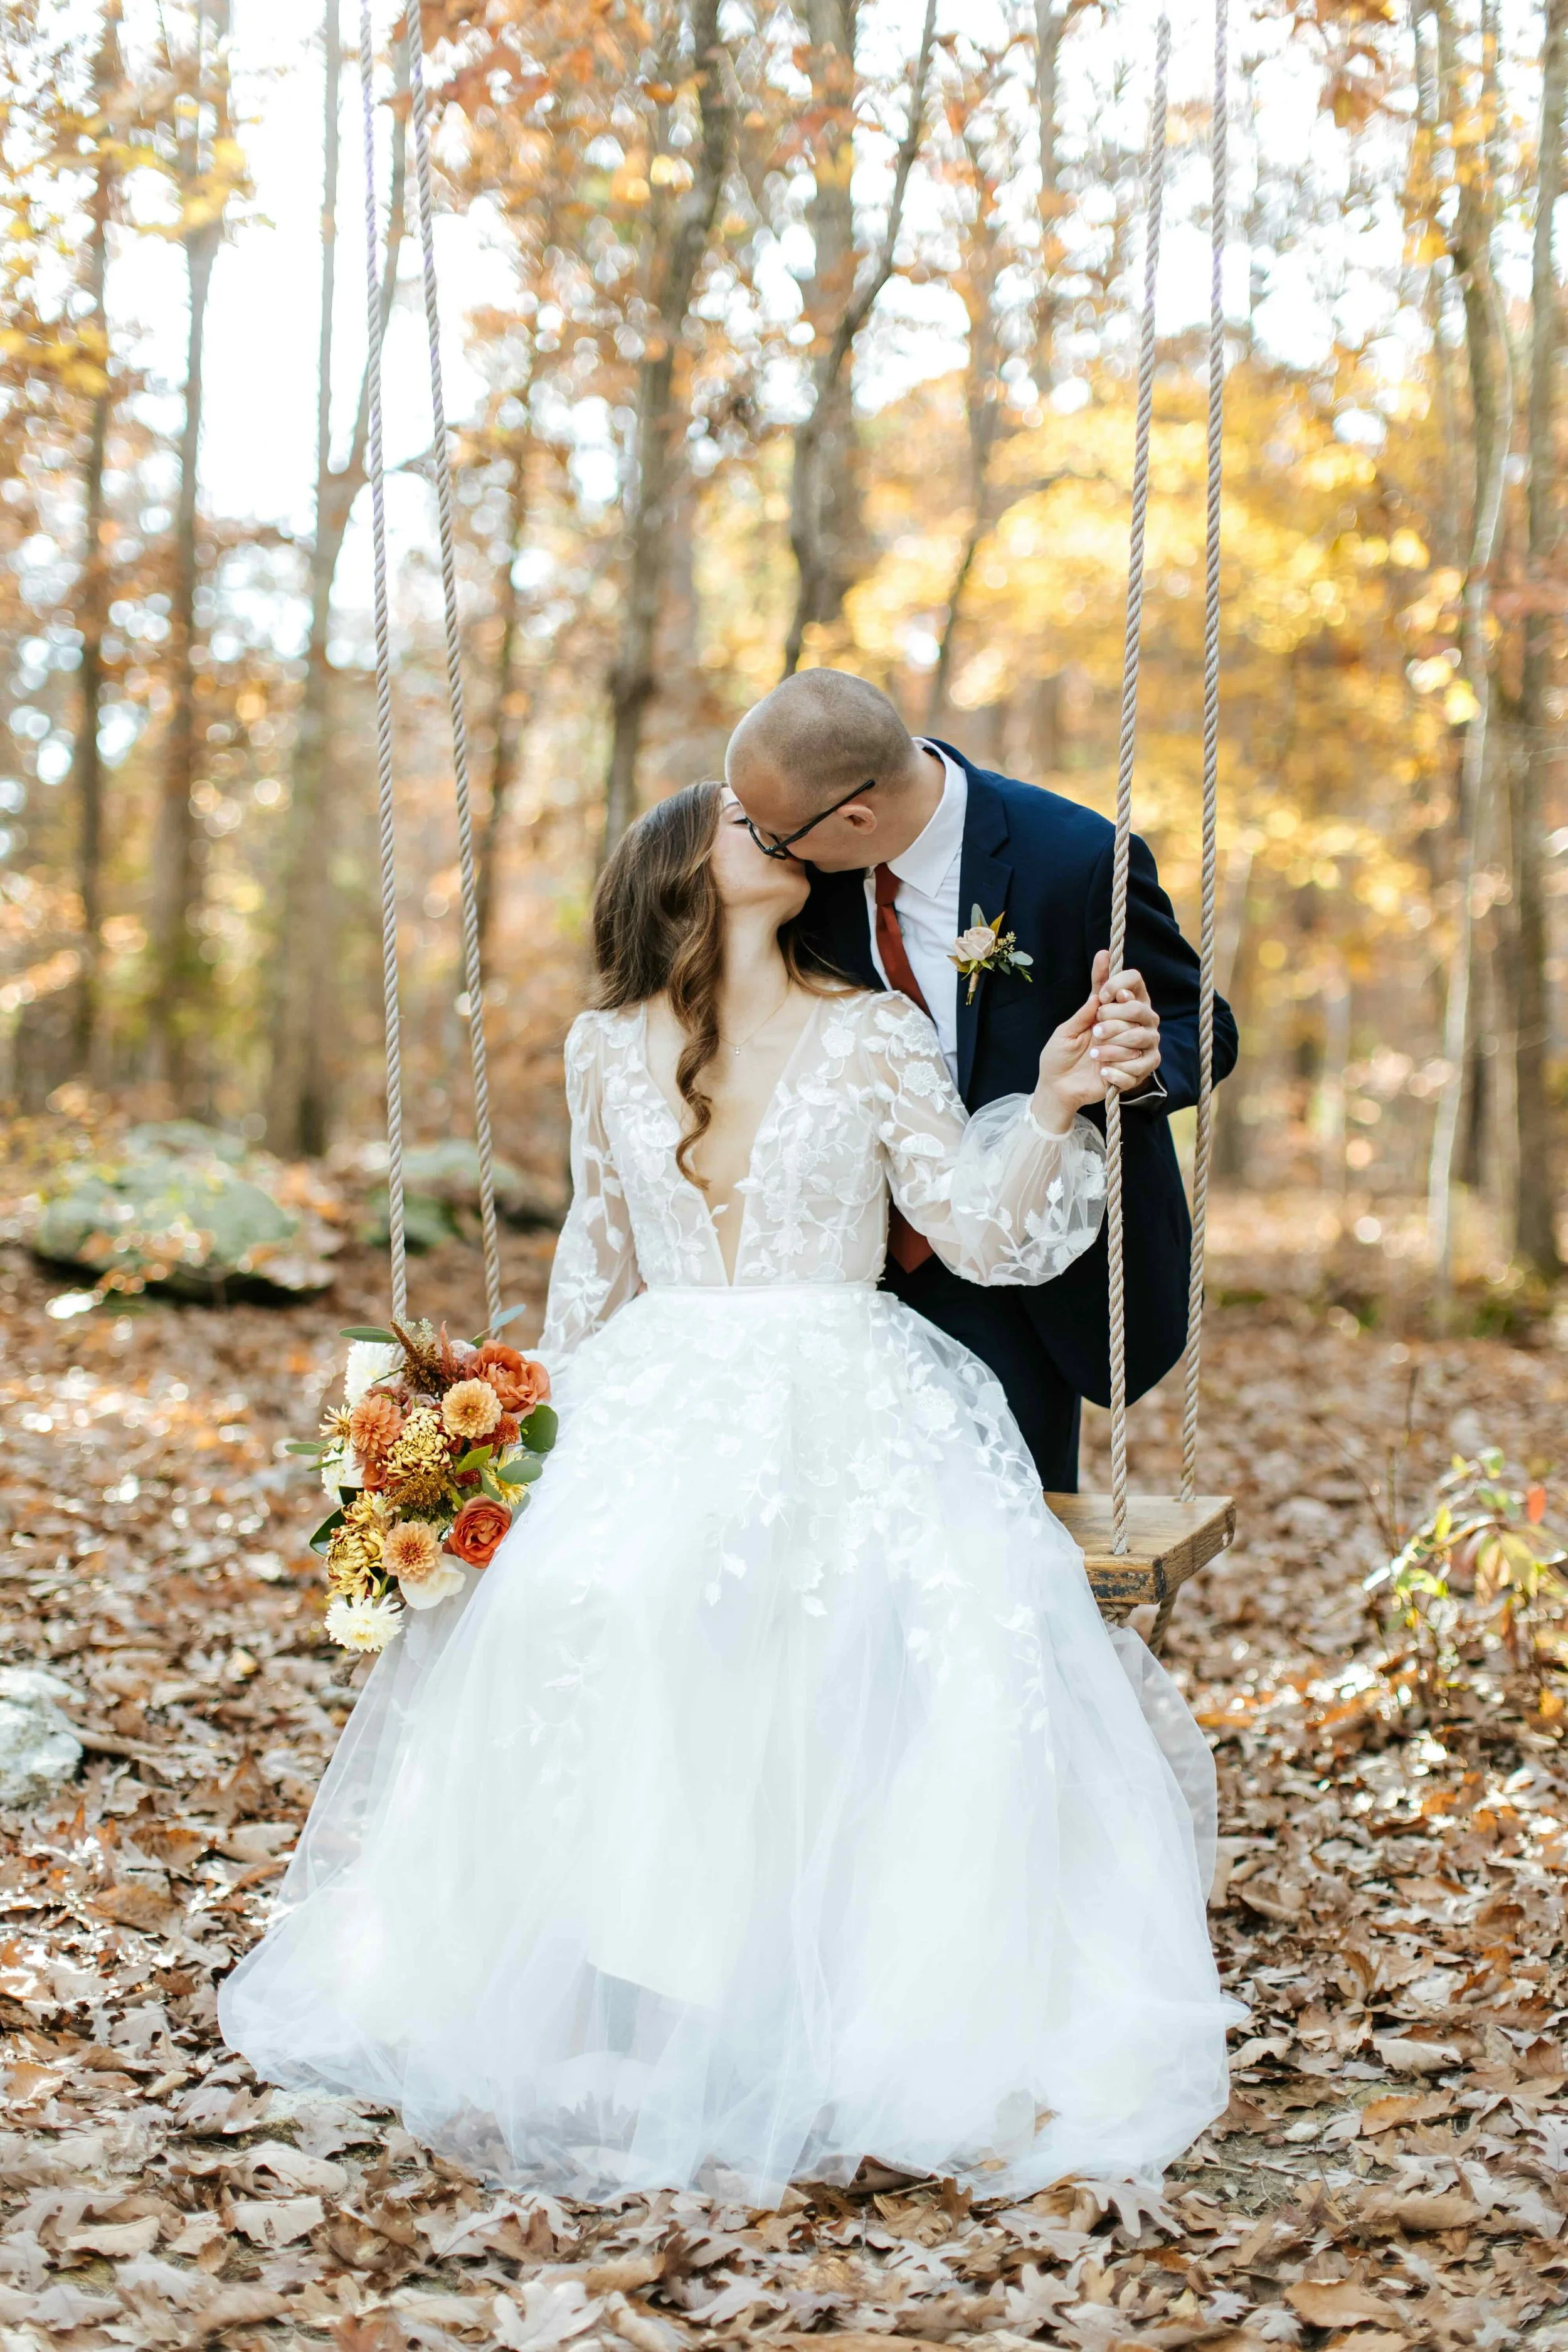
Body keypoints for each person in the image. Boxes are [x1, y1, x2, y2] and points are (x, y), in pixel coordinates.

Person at [220, 781, 1239, 2205]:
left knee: (893, 1614)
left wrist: (1058, 1102)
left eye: (782, 824)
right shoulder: (600, 1049)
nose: (769, 830)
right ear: (672, 875)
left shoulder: (873, 1029)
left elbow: (972, 1230)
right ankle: (637, 1975)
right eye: (734, 822)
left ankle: (833, 1978)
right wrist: (507, 1437)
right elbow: (594, 1255)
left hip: (851, 1379)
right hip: (660, 1379)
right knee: (599, 1594)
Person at [726, 669, 1239, 1490]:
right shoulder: (801, 874)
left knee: (1007, 1546)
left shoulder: (1073, 860)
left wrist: (1142, 1062)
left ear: (857, 817)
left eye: (777, 836)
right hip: (846, 1275)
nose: (762, 847)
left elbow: (1200, 1025)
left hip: (1021, 1271)